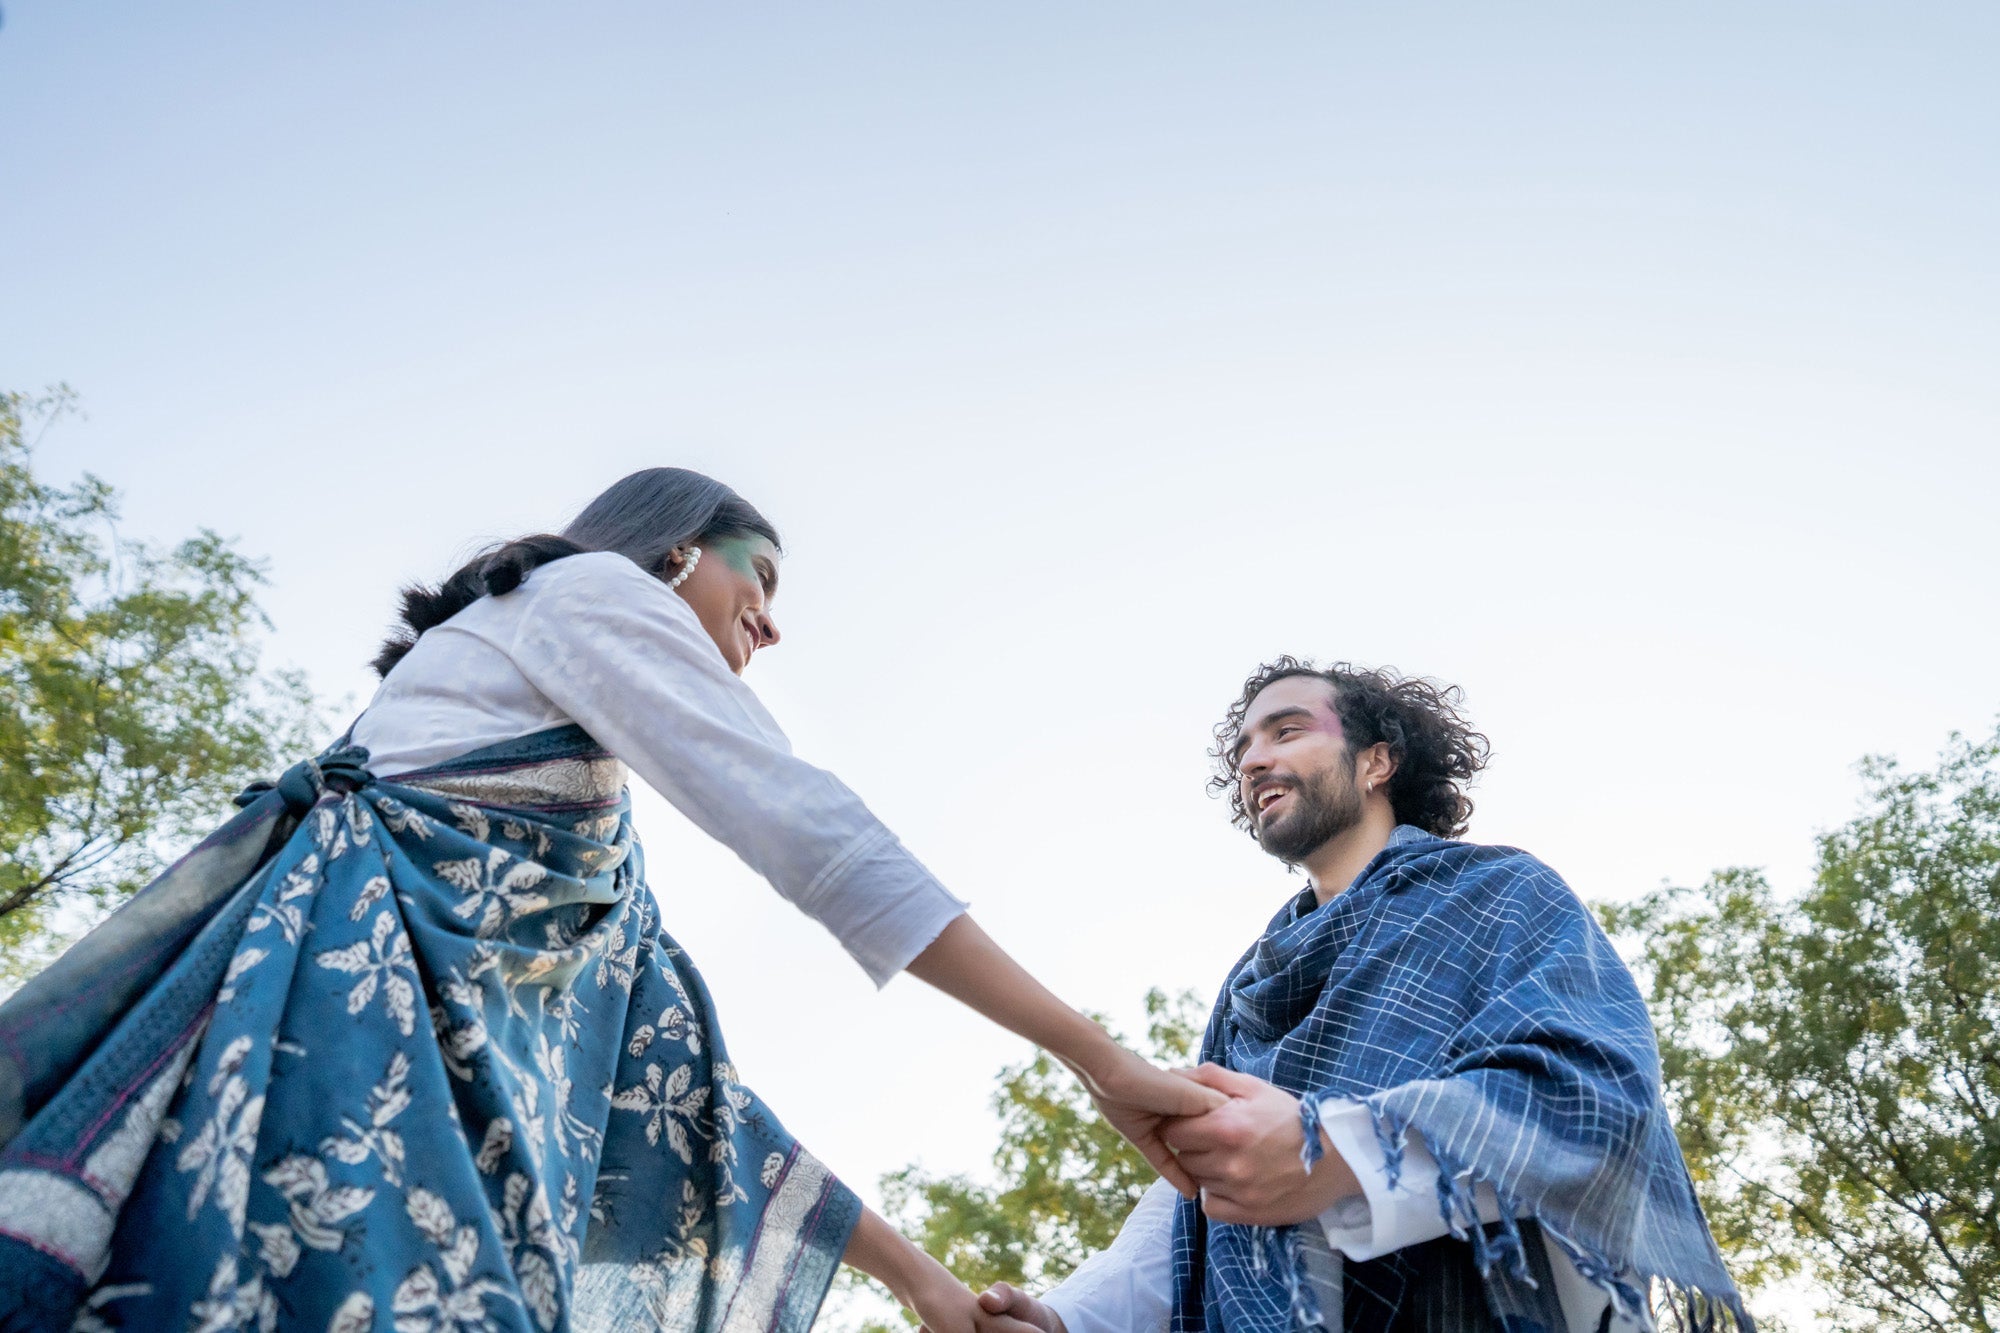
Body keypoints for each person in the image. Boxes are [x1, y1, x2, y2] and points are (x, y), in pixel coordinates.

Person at [0, 468, 1219, 1333]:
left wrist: (924, 1286)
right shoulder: (587, 591)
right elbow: (808, 827)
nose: (775, 622)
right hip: (336, 1072)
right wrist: (1091, 1054)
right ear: (677, 548)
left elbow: (690, 1098)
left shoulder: (587, 864)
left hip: (439, 1144)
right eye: (763, 575)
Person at [976, 660, 1749, 1333]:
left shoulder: (1501, 892)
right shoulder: (1248, 985)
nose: (1253, 760)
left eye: (1284, 730)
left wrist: (1339, 1149)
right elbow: (1199, 1195)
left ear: (1376, 760)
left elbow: (1597, 1102)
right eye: (1243, 746)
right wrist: (1068, 1315)